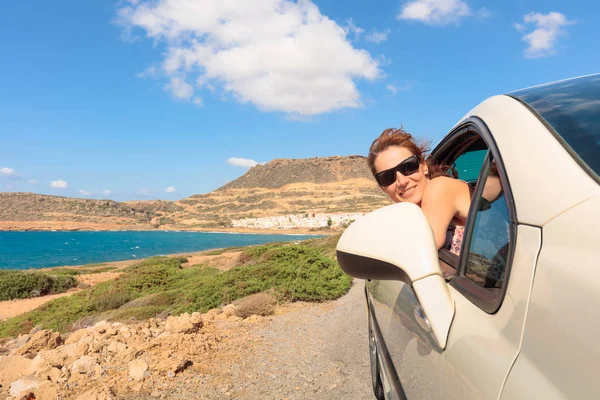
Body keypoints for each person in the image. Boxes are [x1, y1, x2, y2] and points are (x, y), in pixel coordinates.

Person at [367, 127, 472, 255]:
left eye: (408, 167)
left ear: (424, 165)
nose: (402, 181)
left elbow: (424, 249)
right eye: (387, 177)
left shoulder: (439, 187)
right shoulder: (410, 218)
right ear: (383, 187)